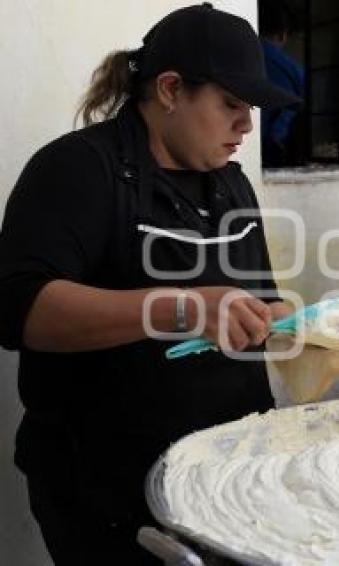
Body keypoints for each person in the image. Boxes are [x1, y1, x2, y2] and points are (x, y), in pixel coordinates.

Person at [0, 5, 306, 564]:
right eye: (232, 104)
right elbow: (22, 310)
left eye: (251, 109)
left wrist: (320, 331)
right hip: (105, 489)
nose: (247, 125)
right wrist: (181, 309)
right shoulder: (77, 170)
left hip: (224, 476)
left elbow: (258, 309)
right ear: (170, 89)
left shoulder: (231, 185)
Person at [258, 0, 306, 167]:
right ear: (282, 35)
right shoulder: (293, 69)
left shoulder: (244, 58)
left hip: (248, 145)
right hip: (277, 147)